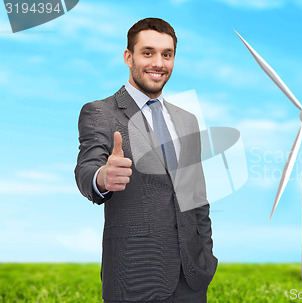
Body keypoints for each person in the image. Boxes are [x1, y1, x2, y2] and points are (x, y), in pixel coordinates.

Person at [75, 17, 217, 303]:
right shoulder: (100, 112)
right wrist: (103, 177)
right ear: (129, 57)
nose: (159, 63)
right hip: (135, 275)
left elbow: (196, 197)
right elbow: (87, 168)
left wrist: (206, 255)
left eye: (167, 55)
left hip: (192, 277)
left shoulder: (187, 120)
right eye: (148, 52)